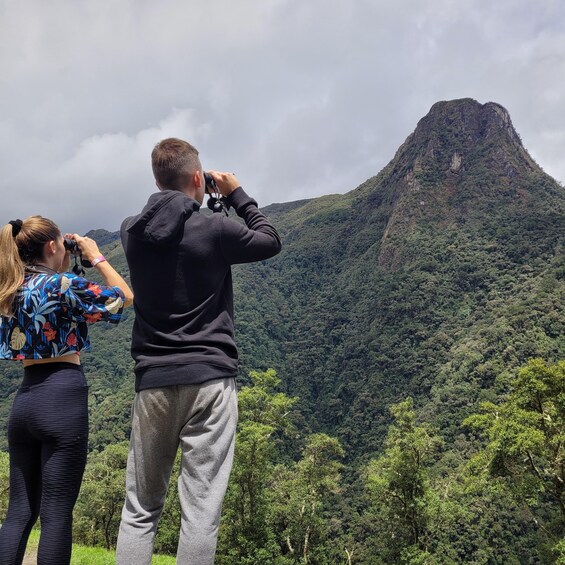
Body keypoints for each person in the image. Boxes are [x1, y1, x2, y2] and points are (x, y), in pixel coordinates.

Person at [116, 138, 282, 564]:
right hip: (210, 380)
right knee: (200, 513)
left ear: (155, 178)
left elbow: (165, 218)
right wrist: (234, 194)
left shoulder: (130, 231)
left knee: (140, 510)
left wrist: (199, 194)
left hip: (153, 380)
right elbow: (269, 239)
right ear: (197, 178)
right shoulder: (216, 228)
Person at [0, 216, 133, 565]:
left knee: (19, 512)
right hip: (62, 398)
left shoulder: (10, 289)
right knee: (57, 513)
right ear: (53, 246)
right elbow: (123, 298)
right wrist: (97, 256)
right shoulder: (62, 285)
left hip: (24, 402)